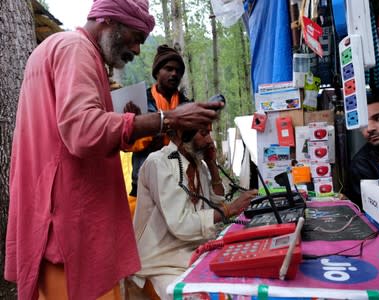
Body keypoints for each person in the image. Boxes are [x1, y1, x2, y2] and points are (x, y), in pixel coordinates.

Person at [4, 0, 223, 299]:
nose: (136, 50)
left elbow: (66, 132)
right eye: (136, 38)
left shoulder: (59, 48)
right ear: (109, 20)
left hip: (53, 216)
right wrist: (167, 119)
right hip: (69, 228)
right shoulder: (75, 49)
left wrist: (131, 122)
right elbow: (82, 131)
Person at [130, 126, 258, 299]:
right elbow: (181, 224)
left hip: (195, 252)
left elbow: (217, 205)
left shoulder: (200, 165)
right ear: (183, 132)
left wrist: (212, 165)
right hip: (162, 262)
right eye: (204, 134)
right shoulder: (159, 163)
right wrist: (230, 209)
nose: (209, 141)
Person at [125, 44, 190, 217]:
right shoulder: (139, 103)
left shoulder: (187, 105)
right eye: (168, 69)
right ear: (157, 72)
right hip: (143, 185)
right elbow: (126, 143)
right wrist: (145, 133)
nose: (174, 74)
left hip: (180, 183)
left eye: (178, 70)